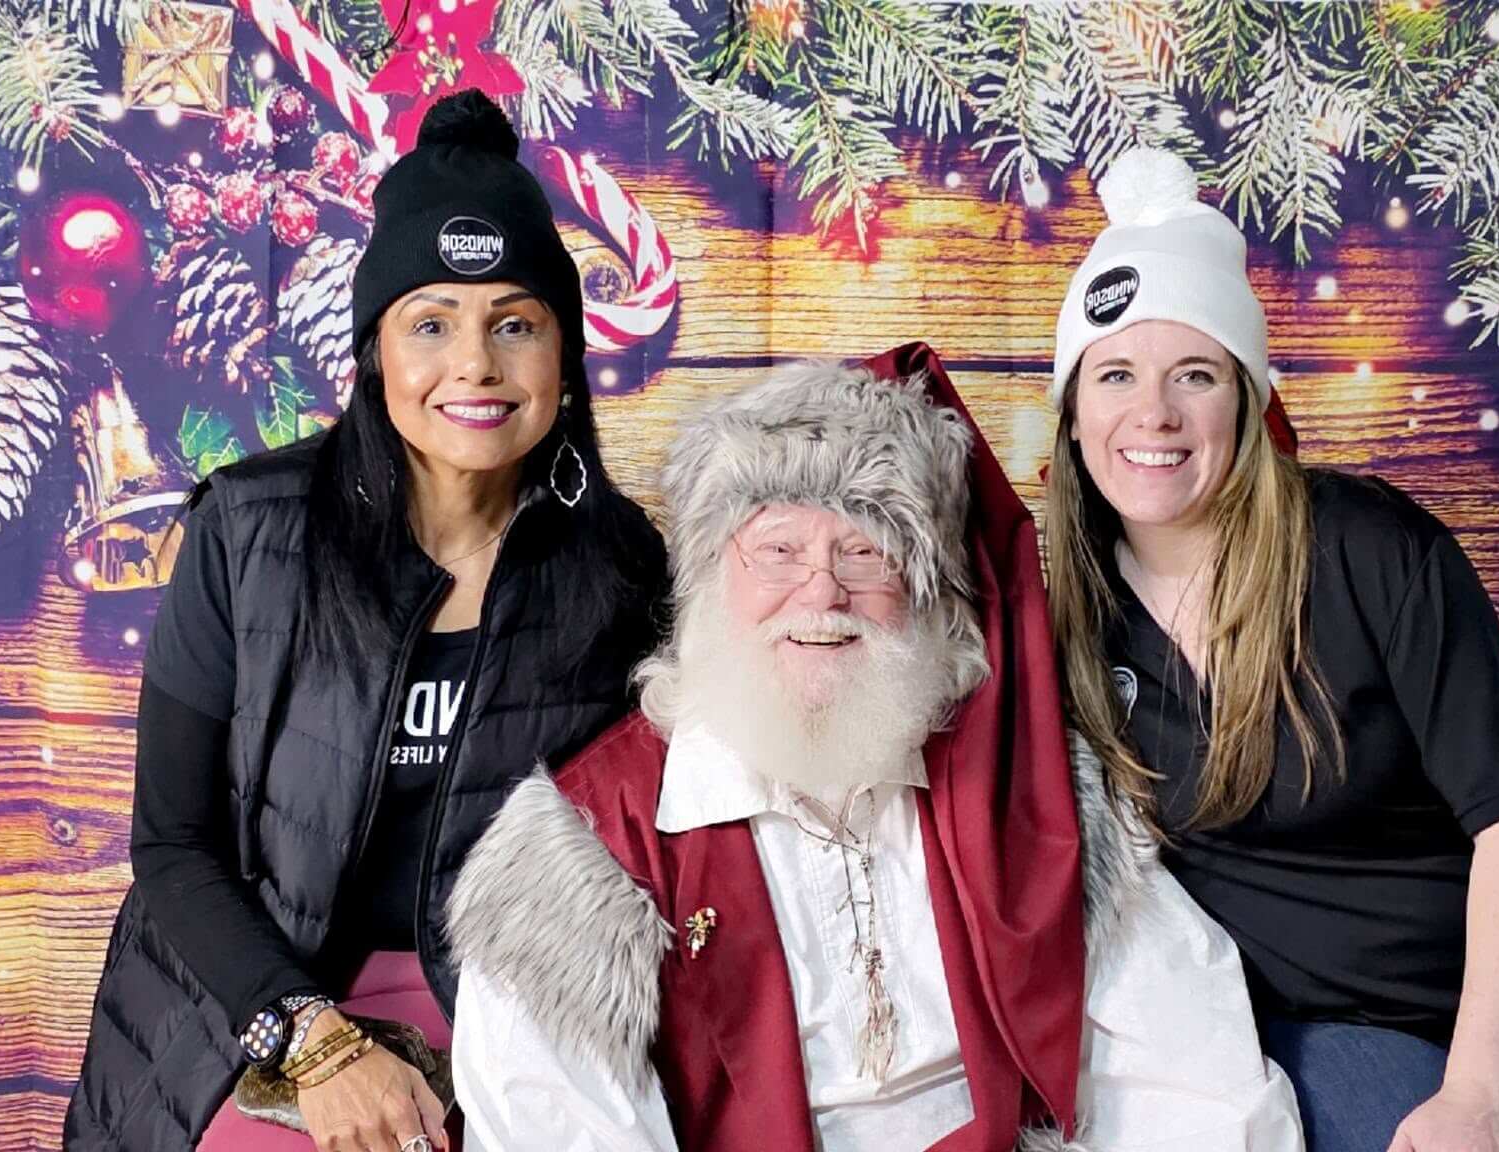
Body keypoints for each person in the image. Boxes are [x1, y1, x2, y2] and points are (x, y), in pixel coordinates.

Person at [443, 345, 1303, 1152]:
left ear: (928, 599)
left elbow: (1189, 1055)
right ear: (709, 582)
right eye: (778, 552)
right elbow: (554, 1127)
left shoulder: (1024, 789)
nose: (822, 591)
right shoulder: (582, 853)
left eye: (865, 552)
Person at [64, 90, 668, 1152]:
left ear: (564, 360)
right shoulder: (246, 532)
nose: (474, 365)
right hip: (255, 985)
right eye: (430, 323)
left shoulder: (619, 567)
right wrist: (312, 1038)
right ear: (373, 352)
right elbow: (171, 844)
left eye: (514, 324)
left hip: (502, 1003)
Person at [1042, 147, 1499, 1152]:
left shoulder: (1364, 546)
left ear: (1248, 404)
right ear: (1073, 417)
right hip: (1332, 1027)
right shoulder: (1059, 614)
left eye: (1194, 375)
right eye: (1114, 373)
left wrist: (1477, 1093)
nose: (1151, 414)